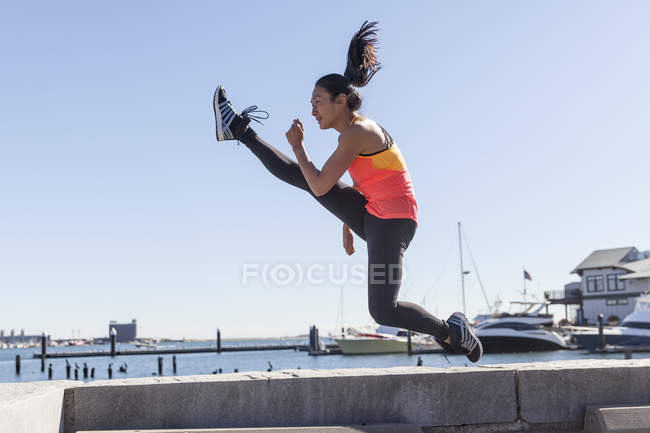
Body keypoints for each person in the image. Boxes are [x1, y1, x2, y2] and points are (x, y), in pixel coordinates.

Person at [212, 21, 482, 363]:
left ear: (341, 101)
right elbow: (362, 179)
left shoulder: (357, 132)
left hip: (394, 222)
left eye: (318, 102)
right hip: (372, 212)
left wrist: (298, 148)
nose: (313, 110)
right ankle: (236, 128)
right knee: (304, 178)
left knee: (384, 310)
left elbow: (323, 184)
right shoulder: (352, 135)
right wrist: (347, 220)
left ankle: (452, 330)